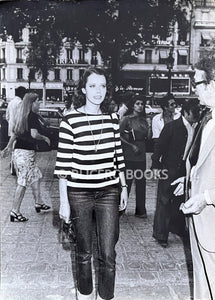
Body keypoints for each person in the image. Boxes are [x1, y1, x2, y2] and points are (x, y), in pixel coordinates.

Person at [54, 67, 128, 300]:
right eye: (93, 86)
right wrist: (64, 203)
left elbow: (118, 156)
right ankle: (85, 295)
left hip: (109, 191)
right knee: (83, 251)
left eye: (103, 86)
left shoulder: (112, 119)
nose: (98, 91)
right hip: (79, 193)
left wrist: (123, 186)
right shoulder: (70, 120)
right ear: (84, 89)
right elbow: (63, 165)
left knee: (108, 252)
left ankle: (106, 296)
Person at [172, 57, 215, 299]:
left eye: (197, 83)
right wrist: (188, 181)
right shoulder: (206, 120)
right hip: (200, 223)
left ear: (213, 84)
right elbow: (202, 163)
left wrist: (206, 197)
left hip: (210, 217)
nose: (193, 89)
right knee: (203, 284)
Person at [151, 99, 200, 247]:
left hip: (184, 170)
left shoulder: (196, 128)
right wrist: (155, 166)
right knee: (164, 201)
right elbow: (159, 147)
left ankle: (176, 227)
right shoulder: (171, 127)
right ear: (186, 112)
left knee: (180, 200)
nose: (196, 115)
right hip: (168, 168)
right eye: (194, 113)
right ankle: (161, 235)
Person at [1, 93, 51, 222]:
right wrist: (44, 138)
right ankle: (15, 211)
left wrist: (8, 147)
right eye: (38, 101)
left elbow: (15, 134)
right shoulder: (32, 116)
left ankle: (38, 202)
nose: (39, 103)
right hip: (26, 154)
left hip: (20, 153)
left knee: (35, 175)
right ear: (32, 103)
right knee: (22, 183)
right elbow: (34, 135)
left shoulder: (23, 115)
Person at [120, 96, 149, 218]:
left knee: (141, 183)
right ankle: (121, 208)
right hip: (129, 154)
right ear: (133, 106)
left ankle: (140, 210)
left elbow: (148, 137)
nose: (140, 106)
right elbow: (118, 135)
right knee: (126, 182)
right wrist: (131, 145)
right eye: (137, 103)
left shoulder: (144, 120)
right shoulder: (127, 119)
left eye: (142, 104)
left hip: (141, 154)